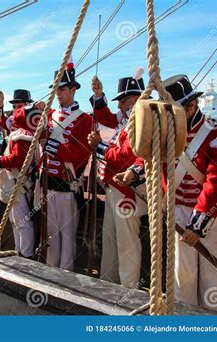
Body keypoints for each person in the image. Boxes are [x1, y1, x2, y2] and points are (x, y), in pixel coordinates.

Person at [117, 74, 217, 312]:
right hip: (179, 211)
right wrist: (134, 173)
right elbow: (152, 156)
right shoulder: (168, 131)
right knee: (181, 279)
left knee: (212, 284)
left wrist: (198, 224)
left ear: (191, 106)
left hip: (213, 216)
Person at [87, 69, 147, 288]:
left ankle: (128, 289)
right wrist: (99, 95)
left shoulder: (143, 121)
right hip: (115, 188)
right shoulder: (129, 120)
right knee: (112, 241)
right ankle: (108, 284)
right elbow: (108, 119)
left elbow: (127, 156)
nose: (120, 106)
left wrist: (99, 146)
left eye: (123, 100)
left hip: (129, 190)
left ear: (137, 99)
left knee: (126, 243)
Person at [42, 57, 94, 270]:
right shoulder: (49, 115)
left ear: (73, 90)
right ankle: (50, 271)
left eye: (62, 90)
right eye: (56, 90)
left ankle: (65, 275)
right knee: (51, 236)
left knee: (67, 237)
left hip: (67, 186)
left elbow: (82, 153)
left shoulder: (85, 120)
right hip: (48, 184)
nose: (58, 94)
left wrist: (55, 148)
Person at [0, 100, 43, 258]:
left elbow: (18, 160)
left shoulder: (23, 136)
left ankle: (26, 255)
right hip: (17, 184)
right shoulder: (23, 133)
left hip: (20, 184)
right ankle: (19, 252)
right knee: (17, 222)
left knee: (23, 223)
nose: (15, 111)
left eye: (18, 107)